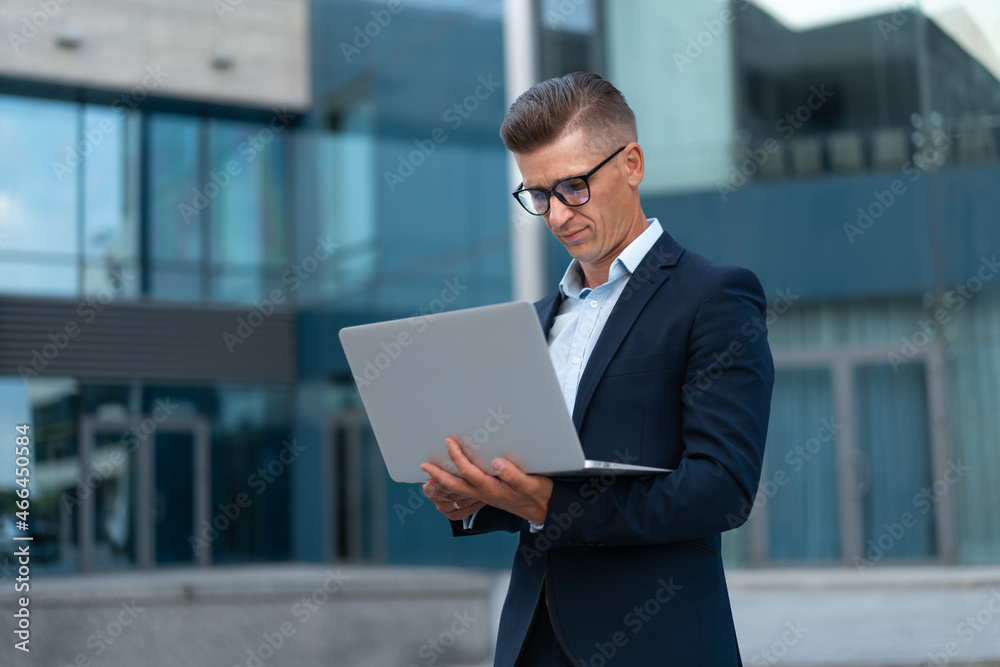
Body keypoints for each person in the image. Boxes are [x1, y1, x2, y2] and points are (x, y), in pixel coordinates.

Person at [420, 71, 774, 667]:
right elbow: (539, 484)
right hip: (531, 641)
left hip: (655, 644)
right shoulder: (532, 323)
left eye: (574, 187)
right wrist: (477, 498)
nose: (557, 215)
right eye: (538, 195)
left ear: (632, 164)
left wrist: (548, 506)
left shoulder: (715, 298)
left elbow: (720, 490)